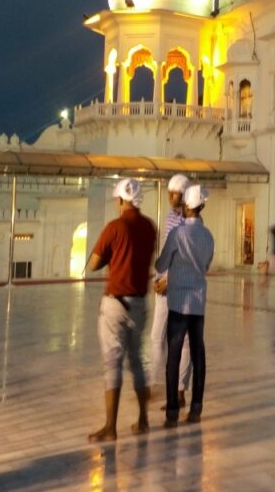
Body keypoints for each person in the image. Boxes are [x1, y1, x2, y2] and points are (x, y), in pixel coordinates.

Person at [87, 178, 157, 442]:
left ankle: (110, 427)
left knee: (112, 363)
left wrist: (108, 256)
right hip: (140, 303)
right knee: (137, 361)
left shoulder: (114, 227)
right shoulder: (150, 227)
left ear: (119, 200)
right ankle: (143, 420)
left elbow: (93, 264)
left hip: (115, 303)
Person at [156, 184, 214, 427]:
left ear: (186, 207)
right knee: (198, 353)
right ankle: (196, 408)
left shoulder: (177, 234)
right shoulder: (208, 236)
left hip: (178, 302)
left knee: (174, 354)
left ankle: (172, 412)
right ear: (200, 207)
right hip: (198, 303)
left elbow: (161, 265)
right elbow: (207, 266)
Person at [149, 174, 192, 410]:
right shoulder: (169, 218)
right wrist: (158, 277)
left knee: (183, 341)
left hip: (180, 287)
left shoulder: (191, 223)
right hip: (163, 287)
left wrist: (170, 279)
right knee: (157, 337)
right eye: (169, 193)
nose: (171, 198)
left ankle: (179, 390)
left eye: (175, 194)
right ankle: (156, 382)